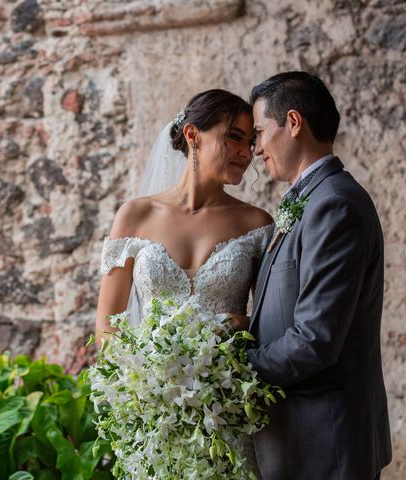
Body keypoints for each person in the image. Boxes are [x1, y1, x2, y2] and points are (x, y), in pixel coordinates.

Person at [95, 89, 273, 475]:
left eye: (251, 140)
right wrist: (150, 378)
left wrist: (242, 326)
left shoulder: (257, 224)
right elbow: (106, 327)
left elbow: (270, 322)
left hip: (226, 416)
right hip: (154, 414)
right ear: (193, 135)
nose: (247, 152)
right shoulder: (134, 216)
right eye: (234, 137)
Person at [243, 71, 392, 479]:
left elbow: (314, 340)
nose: (256, 148)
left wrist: (232, 370)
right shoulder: (309, 201)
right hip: (301, 441)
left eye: (259, 132)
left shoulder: (334, 205)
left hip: (325, 444)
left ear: (293, 123)